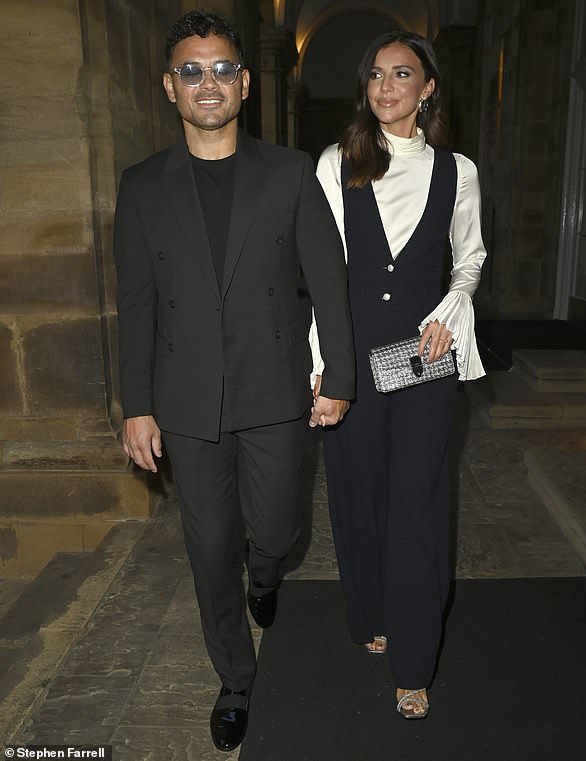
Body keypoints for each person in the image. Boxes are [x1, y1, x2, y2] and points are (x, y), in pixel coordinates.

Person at [113, 10, 355, 752]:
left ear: (245, 84)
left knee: (277, 528)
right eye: (192, 70)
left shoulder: (290, 173)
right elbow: (138, 304)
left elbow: (328, 281)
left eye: (222, 69)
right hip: (187, 400)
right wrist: (138, 406)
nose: (207, 83)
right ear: (169, 86)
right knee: (207, 543)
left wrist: (339, 374)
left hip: (274, 389)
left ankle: (266, 572)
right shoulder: (144, 185)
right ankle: (235, 677)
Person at [312, 29, 487, 720]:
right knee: (359, 493)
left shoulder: (458, 171)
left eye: (402, 74)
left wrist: (455, 299)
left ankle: (414, 660)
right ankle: (373, 612)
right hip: (352, 354)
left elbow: (470, 259)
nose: (386, 87)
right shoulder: (338, 161)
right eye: (376, 75)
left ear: (429, 86)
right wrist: (324, 368)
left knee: (415, 503)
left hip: (426, 357)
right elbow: (324, 276)